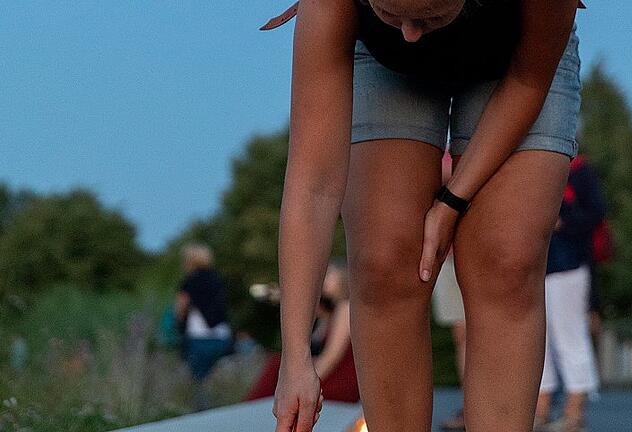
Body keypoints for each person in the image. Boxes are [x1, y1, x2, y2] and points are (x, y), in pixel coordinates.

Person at [264, 0, 585, 430]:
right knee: (385, 263)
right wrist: (297, 356)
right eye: (392, 13)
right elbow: (313, 182)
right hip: (385, 69)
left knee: (506, 261)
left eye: (429, 16)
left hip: (517, 62)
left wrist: (453, 200)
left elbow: (528, 81)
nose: (411, 34)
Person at [534, 156, 606, 432]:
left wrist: (562, 220)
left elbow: (596, 213)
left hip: (570, 265)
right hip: (541, 266)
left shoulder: (580, 171)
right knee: (542, 339)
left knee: (570, 336)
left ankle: (575, 411)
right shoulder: (539, 165)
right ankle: (541, 408)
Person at [246, 262, 359, 403]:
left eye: (329, 274)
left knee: (278, 366)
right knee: (280, 364)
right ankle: (258, 406)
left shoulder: (346, 308)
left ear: (343, 279)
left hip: (337, 380)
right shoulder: (327, 315)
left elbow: (331, 357)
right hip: (326, 375)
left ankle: (254, 407)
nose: (322, 278)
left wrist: (303, 382)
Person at [432, 152, 467, 431]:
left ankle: (477, 406)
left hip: (466, 250)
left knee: (475, 333)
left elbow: (443, 173)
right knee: (462, 335)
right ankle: (471, 405)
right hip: (450, 253)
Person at [175, 243, 232, 411]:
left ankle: (202, 414)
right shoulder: (217, 279)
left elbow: (181, 307)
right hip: (222, 335)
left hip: (199, 336)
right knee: (215, 380)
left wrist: (179, 325)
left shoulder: (189, 281)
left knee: (198, 381)